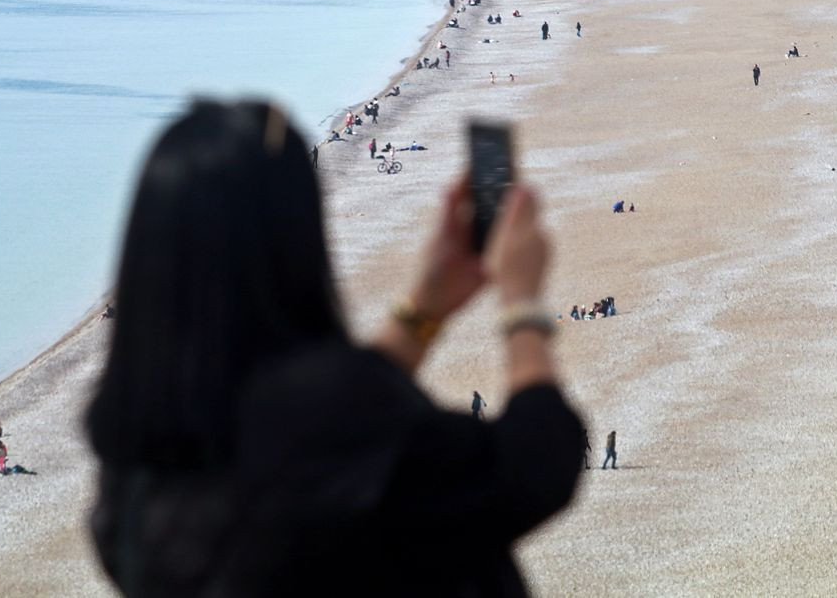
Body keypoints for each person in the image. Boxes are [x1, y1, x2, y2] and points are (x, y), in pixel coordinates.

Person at [86, 101, 586, 598]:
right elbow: (539, 463)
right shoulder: (325, 423)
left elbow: (326, 428)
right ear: (294, 240)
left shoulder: (129, 474)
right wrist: (521, 301)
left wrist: (425, 308)